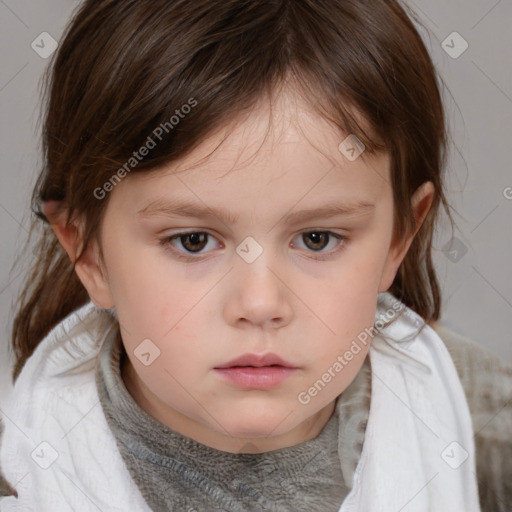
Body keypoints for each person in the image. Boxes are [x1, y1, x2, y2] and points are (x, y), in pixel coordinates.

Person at [1, 0, 511, 510]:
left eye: (317, 239)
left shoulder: (473, 418)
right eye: (193, 241)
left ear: (399, 237)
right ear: (88, 250)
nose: (261, 303)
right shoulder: (21, 473)